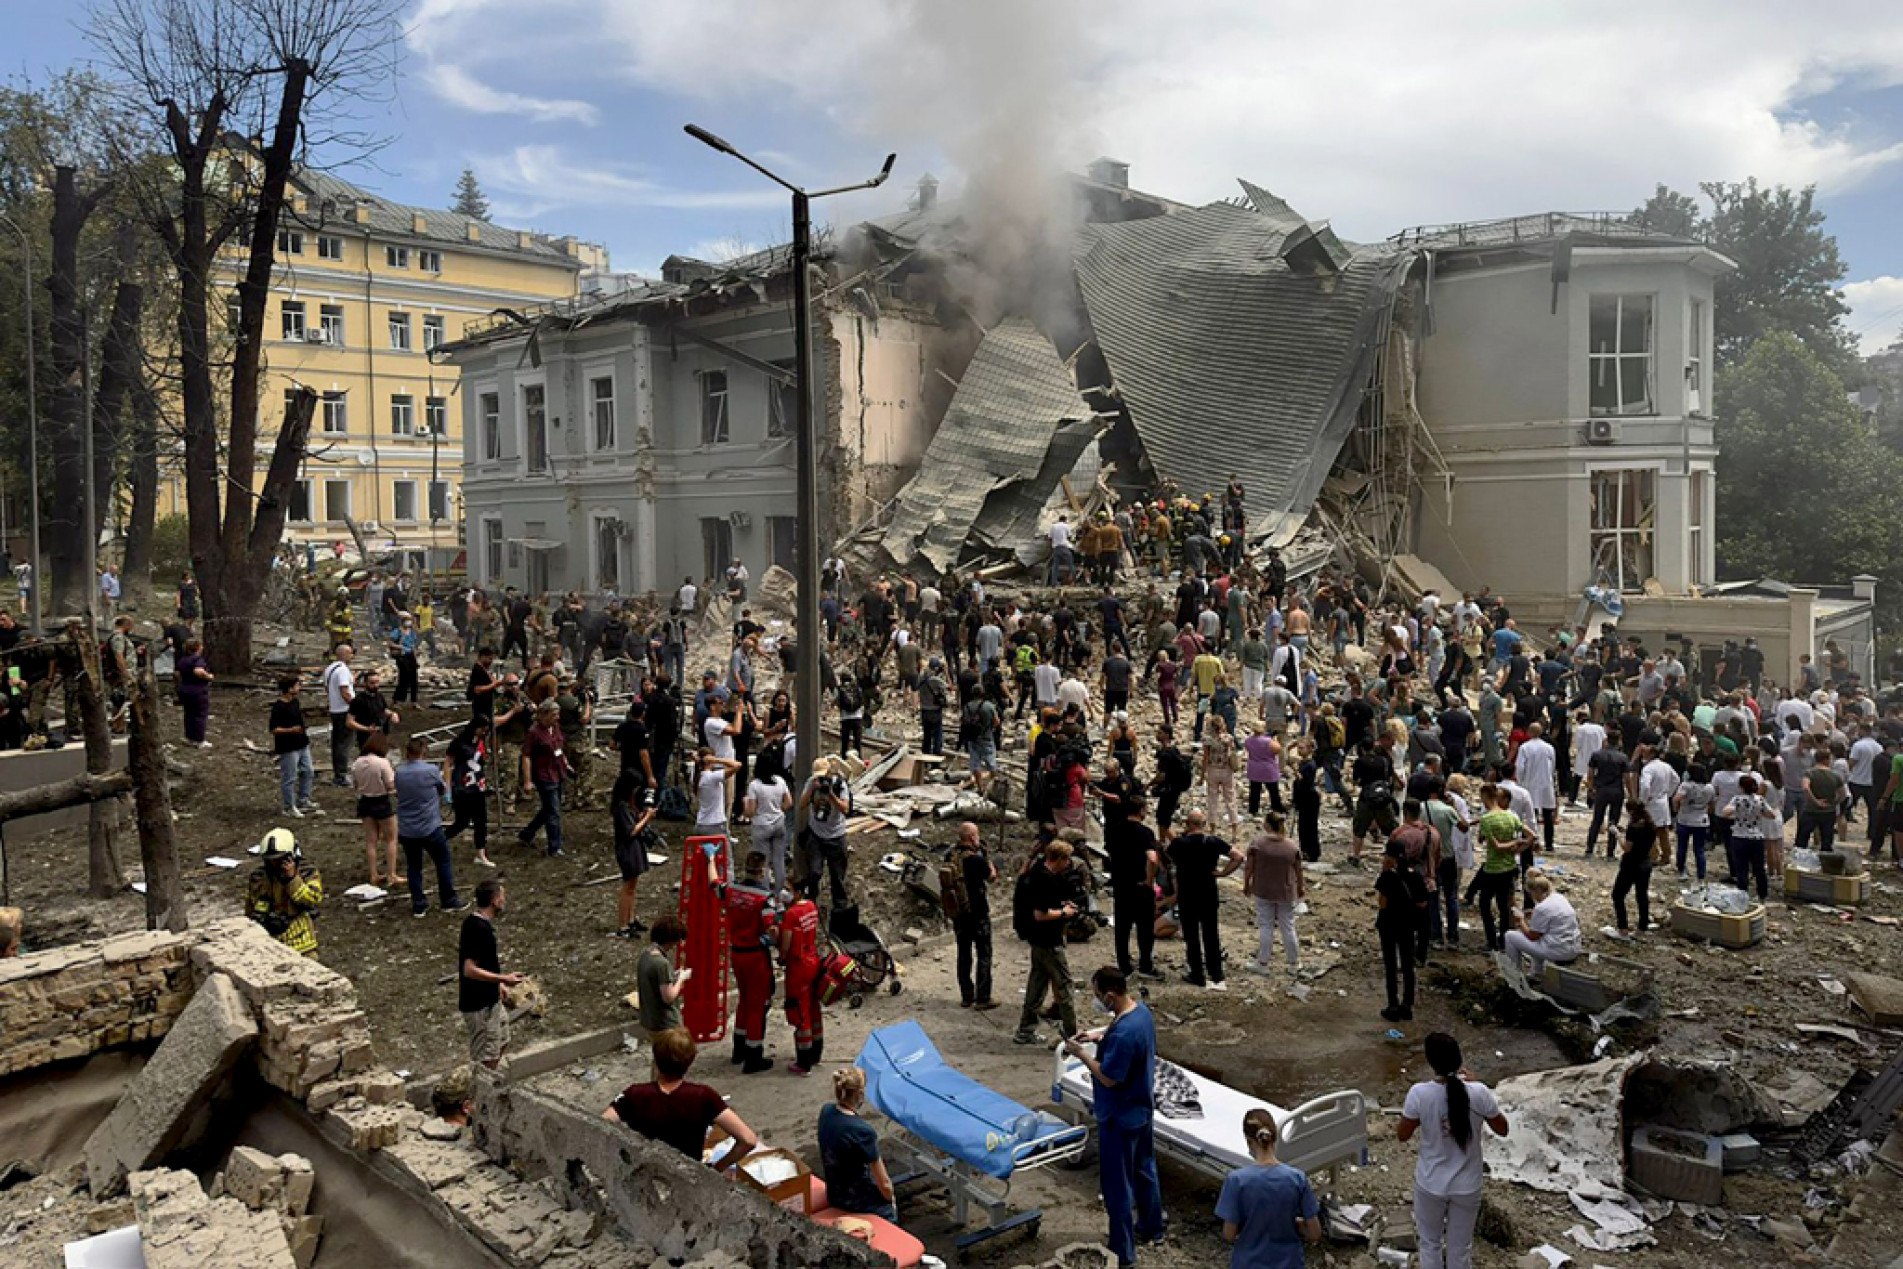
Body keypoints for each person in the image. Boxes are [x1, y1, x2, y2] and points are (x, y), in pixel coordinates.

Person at [1065, 966, 1165, 1268]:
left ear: (1110, 995)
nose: (1097, 1001)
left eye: (1098, 997)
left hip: (1118, 1117)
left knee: (1117, 1185)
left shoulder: (1123, 1036)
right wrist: (1097, 1035)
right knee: (1145, 1169)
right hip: (1141, 1109)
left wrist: (1081, 1053)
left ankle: (1123, 1250)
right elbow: (1118, 1031)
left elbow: (1108, 1077)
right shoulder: (1140, 1014)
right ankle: (1152, 1226)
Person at [1399, 1033, 1510, 1269]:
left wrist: (1427, 1118)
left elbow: (1402, 1134)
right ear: (1458, 1060)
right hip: (1467, 1185)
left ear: (1430, 1062)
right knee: (1461, 1249)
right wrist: (1476, 1088)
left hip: (1430, 1182)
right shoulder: (1478, 1092)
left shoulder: (1419, 1093)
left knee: (1430, 1245)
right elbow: (1502, 1129)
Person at [604, 1027, 759, 1168]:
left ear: (656, 1059)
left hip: (645, 1175)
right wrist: (717, 1169)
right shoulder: (703, 1096)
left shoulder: (634, 1094)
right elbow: (748, 1140)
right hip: (687, 1178)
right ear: (690, 1060)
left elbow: (600, 1124)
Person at [1215, 1108, 1323, 1268]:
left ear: (1248, 1140)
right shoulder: (1297, 1178)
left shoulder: (1236, 1180)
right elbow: (1314, 1233)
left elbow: (1229, 1234)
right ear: (1275, 1137)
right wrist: (1297, 1224)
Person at [1015, 838, 1082, 1045]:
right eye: (1067, 859)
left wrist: (1061, 904)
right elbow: (1040, 914)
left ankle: (1025, 1030)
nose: (1068, 863)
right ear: (1059, 859)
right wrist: (1064, 912)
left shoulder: (1037, 873)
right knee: (1064, 986)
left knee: (1037, 985)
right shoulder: (1045, 880)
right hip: (1048, 940)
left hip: (1037, 940)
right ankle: (1072, 1037)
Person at [716, 850, 778, 1074]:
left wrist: (711, 859)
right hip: (755, 956)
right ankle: (754, 1056)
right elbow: (771, 928)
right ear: (762, 871)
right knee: (757, 1005)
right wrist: (776, 941)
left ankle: (738, 1049)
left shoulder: (732, 891)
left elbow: (715, 884)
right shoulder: (764, 898)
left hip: (737, 954)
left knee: (743, 1000)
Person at [1169, 810, 1242, 990]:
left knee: (1191, 935)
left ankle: (1196, 973)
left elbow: (1167, 857)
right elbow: (1238, 856)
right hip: (1208, 891)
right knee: (1211, 933)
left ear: (1188, 824)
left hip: (1187, 893)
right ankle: (1216, 972)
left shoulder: (1179, 844)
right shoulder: (1213, 842)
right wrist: (1223, 873)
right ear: (1204, 824)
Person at [395, 736, 465, 918]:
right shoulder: (431, 770)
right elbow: (442, 789)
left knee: (414, 866)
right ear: (424, 752)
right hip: (430, 826)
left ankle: (419, 904)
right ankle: (448, 899)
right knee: (442, 861)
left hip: (407, 828)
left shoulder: (399, 772)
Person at [818, 1067, 897, 1220]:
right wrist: (890, 1199)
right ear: (860, 1094)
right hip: (857, 1202)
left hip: (835, 1193)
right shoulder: (863, 1131)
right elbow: (885, 1183)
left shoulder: (826, 1111)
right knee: (889, 1208)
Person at [459, 879, 522, 1069]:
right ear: (494, 900)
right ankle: (479, 1094)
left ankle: (491, 1082)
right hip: (480, 1006)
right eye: (502, 896)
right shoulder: (478, 929)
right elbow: (469, 970)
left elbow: (485, 961)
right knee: (486, 1057)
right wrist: (504, 978)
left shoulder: (480, 924)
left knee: (502, 1041)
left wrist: (498, 985)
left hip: (491, 1000)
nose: (504, 900)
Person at [246, 828, 322, 957]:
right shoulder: (259, 877)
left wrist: (292, 879)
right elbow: (251, 906)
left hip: (301, 940)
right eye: (270, 860)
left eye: (279, 859)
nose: (275, 864)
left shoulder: (306, 872)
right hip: (269, 941)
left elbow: (311, 900)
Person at [1244, 811, 1304, 973]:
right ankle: (1294, 963)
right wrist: (1300, 887)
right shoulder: (1291, 846)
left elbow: (1249, 867)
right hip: (1286, 890)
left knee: (1266, 926)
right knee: (1288, 926)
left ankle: (1263, 963)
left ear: (1268, 825)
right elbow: (1298, 870)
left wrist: (1246, 884)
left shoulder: (1258, 844)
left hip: (1263, 890)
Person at [950, 820, 999, 1009]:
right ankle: (983, 997)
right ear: (972, 837)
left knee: (963, 955)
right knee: (984, 954)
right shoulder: (977, 860)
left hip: (960, 915)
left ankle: (966, 996)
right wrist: (988, 860)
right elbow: (992, 877)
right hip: (978, 913)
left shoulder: (951, 856)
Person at [610, 770, 660, 940]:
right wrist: (646, 819)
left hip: (634, 848)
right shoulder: (621, 807)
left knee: (632, 886)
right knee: (628, 887)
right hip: (628, 849)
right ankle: (623, 925)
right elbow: (630, 831)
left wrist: (643, 816)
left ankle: (631, 920)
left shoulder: (628, 806)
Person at [797, 757, 853, 908]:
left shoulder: (840, 784)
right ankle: (811, 903)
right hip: (816, 835)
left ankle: (839, 909)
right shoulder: (812, 782)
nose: (821, 779)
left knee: (837, 876)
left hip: (836, 836)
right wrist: (811, 789)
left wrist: (831, 795)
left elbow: (845, 809)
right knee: (814, 872)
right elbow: (801, 805)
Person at [779, 889, 825, 1074]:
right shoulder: (811, 906)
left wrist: (782, 957)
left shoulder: (791, 914)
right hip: (813, 961)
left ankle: (803, 1062)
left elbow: (786, 942)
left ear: (797, 892)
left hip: (798, 967)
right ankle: (816, 1053)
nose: (784, 892)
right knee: (813, 1008)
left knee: (800, 1010)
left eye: (788, 888)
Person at [1504, 870, 1580, 979]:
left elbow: (1532, 936)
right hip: (1573, 946)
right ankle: (1536, 972)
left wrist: (1521, 920)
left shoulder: (1541, 908)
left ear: (1535, 892)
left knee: (1510, 936)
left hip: (1559, 951)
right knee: (1542, 936)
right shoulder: (1559, 897)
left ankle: (1515, 976)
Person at [518, 701, 571, 858]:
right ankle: (554, 847)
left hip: (558, 772)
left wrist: (566, 763)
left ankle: (527, 833)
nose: (557, 717)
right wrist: (527, 781)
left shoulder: (555, 728)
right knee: (553, 812)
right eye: (554, 714)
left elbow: (559, 747)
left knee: (550, 808)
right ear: (544, 715)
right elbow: (526, 756)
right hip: (544, 776)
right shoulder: (534, 733)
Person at [443, 717, 497, 869]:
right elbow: (448, 763)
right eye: (482, 729)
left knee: (481, 821)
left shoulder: (480, 742)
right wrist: (447, 788)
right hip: (462, 786)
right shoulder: (459, 742)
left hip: (478, 786)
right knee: (462, 822)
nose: (484, 732)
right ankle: (439, 841)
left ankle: (481, 854)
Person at [352, 732, 399, 888]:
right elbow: (391, 785)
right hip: (381, 802)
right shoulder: (382, 763)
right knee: (391, 838)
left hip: (365, 802)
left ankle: (373, 874)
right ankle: (392, 874)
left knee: (371, 840)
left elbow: (356, 785)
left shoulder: (357, 763)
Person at [636, 915, 691, 1046]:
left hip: (649, 1020)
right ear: (671, 940)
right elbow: (668, 997)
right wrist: (681, 979)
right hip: (666, 1024)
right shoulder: (661, 964)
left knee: (659, 1059)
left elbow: (654, 981)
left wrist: (673, 976)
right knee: (671, 1060)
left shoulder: (645, 955)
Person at [268, 673, 317, 817]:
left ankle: (304, 799)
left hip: (302, 742)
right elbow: (274, 729)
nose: (299, 688)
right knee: (289, 776)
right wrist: (291, 730)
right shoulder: (279, 707)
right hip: (288, 746)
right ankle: (289, 806)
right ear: (289, 689)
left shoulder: (295, 702)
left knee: (308, 771)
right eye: (297, 685)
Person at [743, 759, 794, 896]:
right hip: (778, 823)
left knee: (762, 862)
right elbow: (789, 802)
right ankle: (779, 893)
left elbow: (751, 811)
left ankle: (764, 893)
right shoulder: (780, 781)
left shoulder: (754, 785)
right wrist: (779, 810)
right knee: (779, 859)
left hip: (761, 825)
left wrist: (745, 806)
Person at [1613, 798, 1656, 934]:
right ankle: (1643, 926)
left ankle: (1623, 926)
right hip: (1645, 863)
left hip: (1631, 864)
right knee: (1642, 895)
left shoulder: (1633, 827)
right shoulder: (1650, 825)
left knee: (1618, 895)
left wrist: (1617, 835)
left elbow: (1627, 847)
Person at [176, 638, 213, 748]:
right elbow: (198, 671)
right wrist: (209, 676)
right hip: (197, 690)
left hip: (184, 689)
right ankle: (199, 739)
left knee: (189, 714)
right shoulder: (197, 660)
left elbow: (176, 674)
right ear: (197, 648)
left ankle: (189, 737)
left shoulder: (183, 660)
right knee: (200, 715)